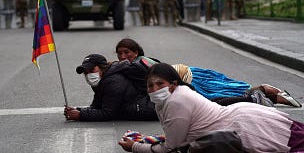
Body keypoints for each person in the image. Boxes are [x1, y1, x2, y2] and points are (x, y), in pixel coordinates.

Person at [119, 63, 304, 153]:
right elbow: (177, 138)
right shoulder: (172, 97)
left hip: (245, 127)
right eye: (150, 86)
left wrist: (134, 146)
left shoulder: (177, 101)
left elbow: (169, 147)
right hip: (242, 118)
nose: (154, 89)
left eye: (160, 84)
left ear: (173, 84)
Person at [115, 38, 302, 108]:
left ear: (136, 52)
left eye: (127, 53)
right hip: (185, 72)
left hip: (186, 77)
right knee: (225, 92)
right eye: (120, 54)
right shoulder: (140, 61)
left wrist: (114, 66)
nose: (123, 57)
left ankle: (267, 92)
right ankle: (269, 93)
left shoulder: (139, 63)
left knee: (219, 98)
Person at [64, 54, 157, 121]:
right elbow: (96, 106)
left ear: (102, 68)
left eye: (92, 70)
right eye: (85, 72)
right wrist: (77, 110)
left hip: (150, 110)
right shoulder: (103, 80)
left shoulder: (113, 81)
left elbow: (107, 113)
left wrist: (80, 115)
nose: (88, 74)